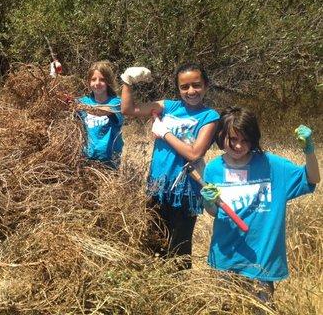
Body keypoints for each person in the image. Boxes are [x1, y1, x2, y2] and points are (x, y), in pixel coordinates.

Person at [200, 106, 319, 302]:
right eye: (233, 139)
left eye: (245, 140)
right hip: (225, 258)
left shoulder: (272, 165)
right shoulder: (213, 168)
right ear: (222, 137)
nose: (239, 146)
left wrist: (309, 151)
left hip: (261, 261)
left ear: (253, 139)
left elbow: (312, 178)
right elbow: (213, 212)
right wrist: (208, 201)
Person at [121, 63, 219, 268]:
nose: (191, 91)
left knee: (179, 251)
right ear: (178, 89)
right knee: (153, 244)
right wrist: (127, 82)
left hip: (186, 190)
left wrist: (164, 133)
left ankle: (178, 294)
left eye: (196, 85)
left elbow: (194, 153)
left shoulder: (210, 116)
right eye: (184, 87)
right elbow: (128, 110)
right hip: (158, 186)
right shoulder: (168, 106)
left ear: (206, 85)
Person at [76, 61, 124, 169]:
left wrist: (83, 107)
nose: (97, 83)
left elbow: (103, 111)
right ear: (89, 82)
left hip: (110, 160)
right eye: (93, 79)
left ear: (108, 82)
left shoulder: (116, 103)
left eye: (102, 79)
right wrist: (55, 74)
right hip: (86, 158)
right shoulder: (83, 101)